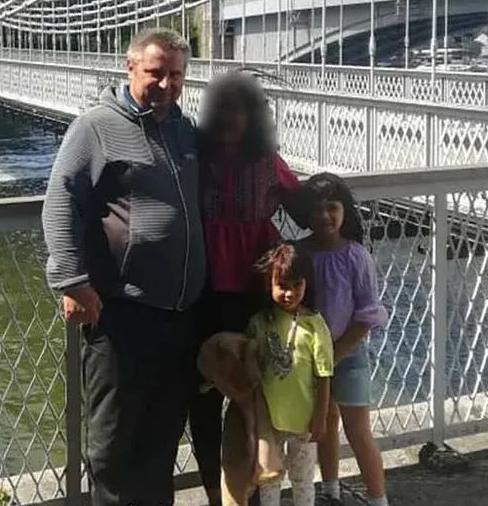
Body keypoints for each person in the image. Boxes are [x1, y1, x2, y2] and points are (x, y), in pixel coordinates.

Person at [41, 27, 205, 506]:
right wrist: (72, 281)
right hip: (123, 313)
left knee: (162, 437)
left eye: (176, 75)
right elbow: (60, 202)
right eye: (156, 73)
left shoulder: (185, 130)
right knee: (112, 445)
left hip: (180, 315)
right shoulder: (96, 126)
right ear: (130, 67)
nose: (167, 84)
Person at [191, 69, 305, 506]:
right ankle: (213, 494)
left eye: (239, 110)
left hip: (253, 292)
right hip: (200, 291)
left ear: (253, 116)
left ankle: (247, 494)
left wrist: (339, 232)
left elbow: (305, 204)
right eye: (223, 109)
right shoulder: (195, 159)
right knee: (200, 398)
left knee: (248, 400)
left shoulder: (267, 162)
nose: (230, 118)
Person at [300, 173, 389, 506]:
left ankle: (378, 497)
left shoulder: (355, 256)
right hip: (307, 357)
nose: (325, 216)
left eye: (332, 207)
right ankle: (330, 488)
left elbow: (367, 314)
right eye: (317, 209)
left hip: (347, 356)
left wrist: (335, 355)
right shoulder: (299, 253)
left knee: (358, 430)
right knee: (322, 424)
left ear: (345, 211)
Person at [246, 242, 334, 506]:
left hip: (304, 420)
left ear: (307, 284)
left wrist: (321, 417)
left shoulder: (315, 325)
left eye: (297, 285)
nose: (289, 293)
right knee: (269, 477)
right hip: (269, 420)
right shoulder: (260, 323)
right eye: (282, 285)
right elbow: (252, 367)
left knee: (303, 479)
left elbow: (324, 375)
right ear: (269, 285)